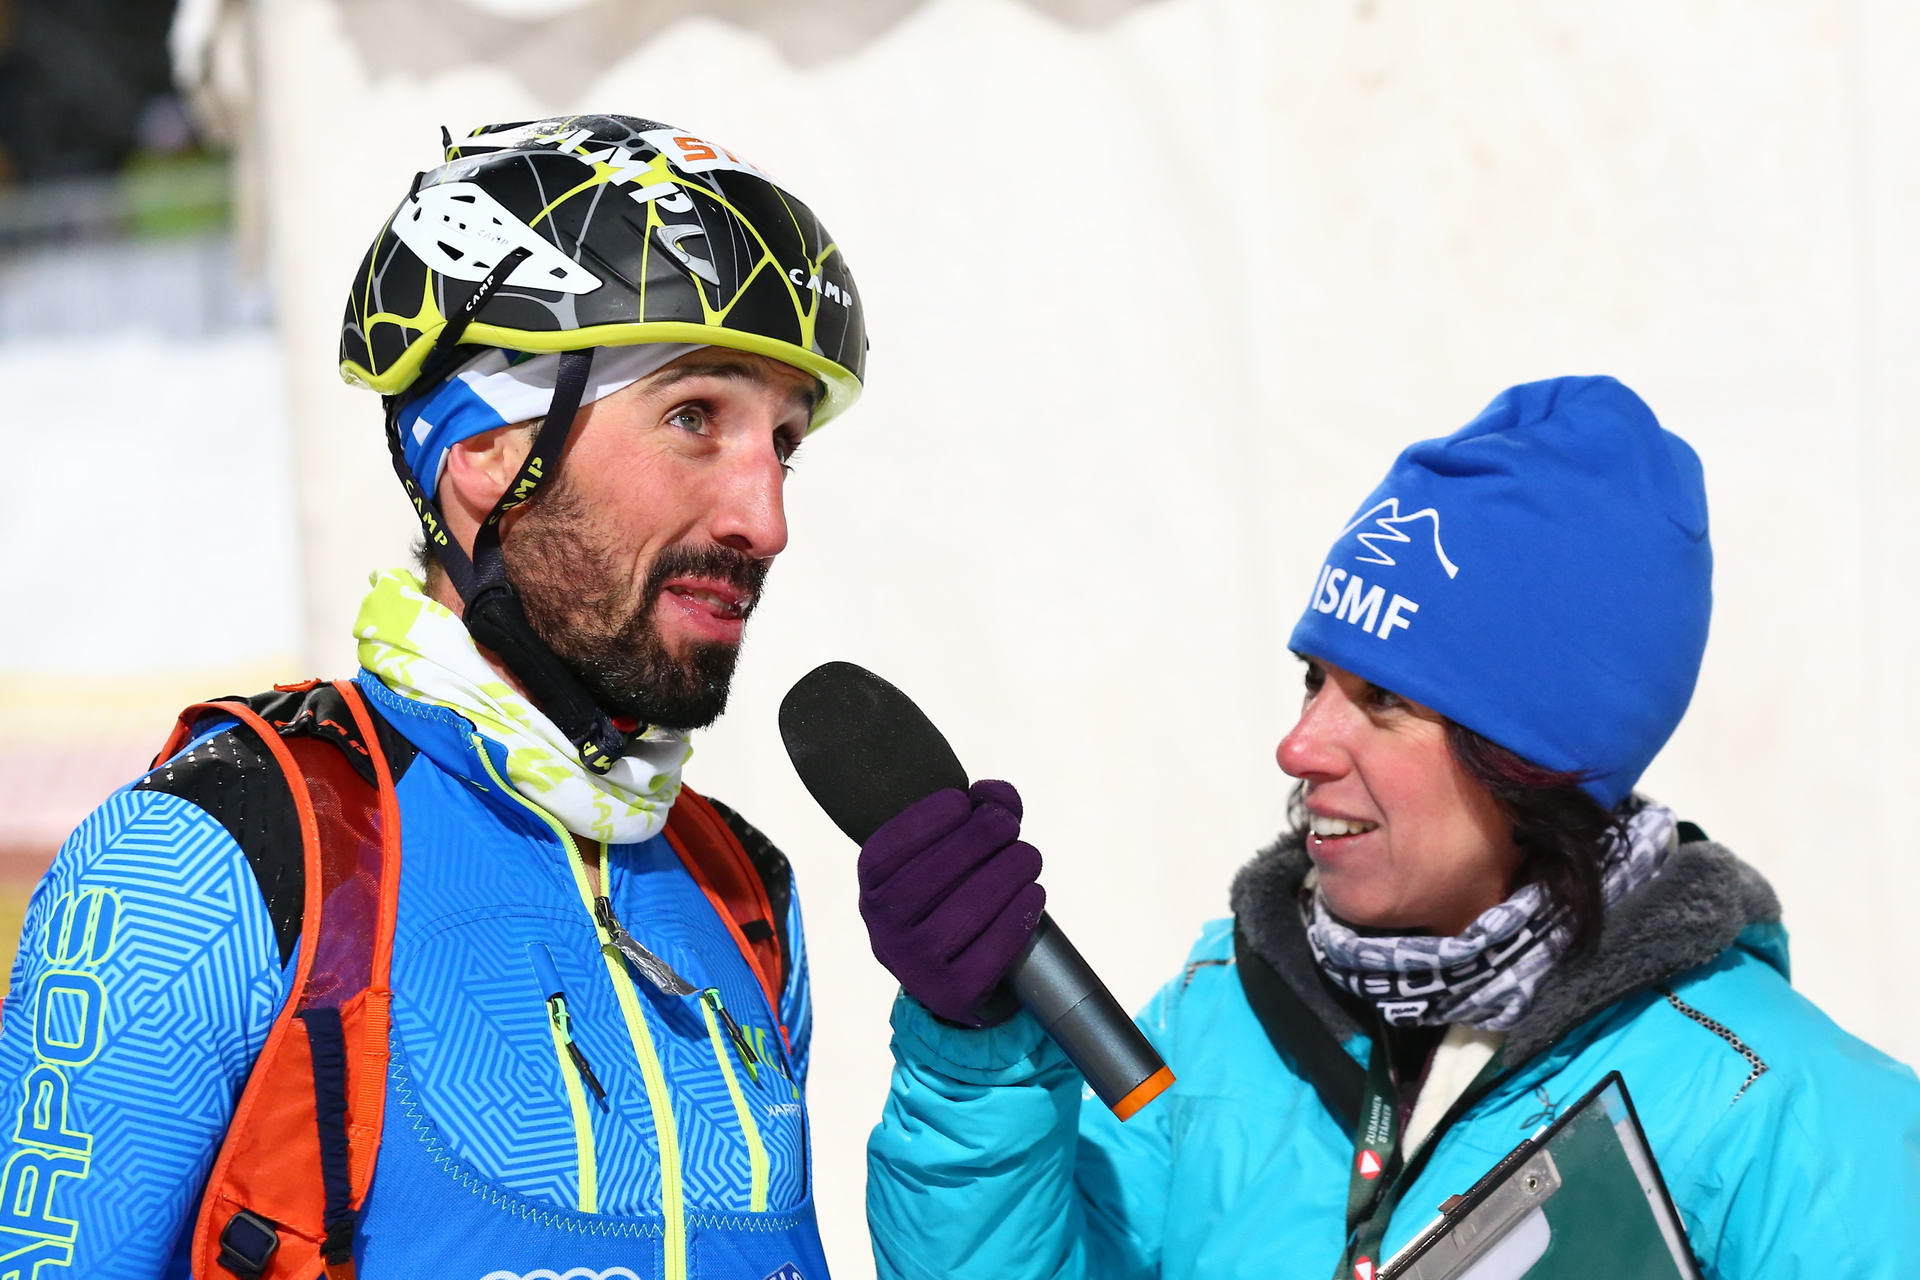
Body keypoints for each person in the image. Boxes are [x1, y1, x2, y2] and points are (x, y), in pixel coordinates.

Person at [0, 114, 863, 1280]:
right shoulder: (208, 861)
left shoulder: (742, 887)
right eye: (695, 418)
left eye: (785, 443)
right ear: (489, 448)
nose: (766, 519)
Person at [855, 376, 1920, 1279]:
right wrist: (977, 1061)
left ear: (1535, 755)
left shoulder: (1799, 1119)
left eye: (1383, 700)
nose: (1302, 744)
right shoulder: (1222, 1016)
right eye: (1314, 680)